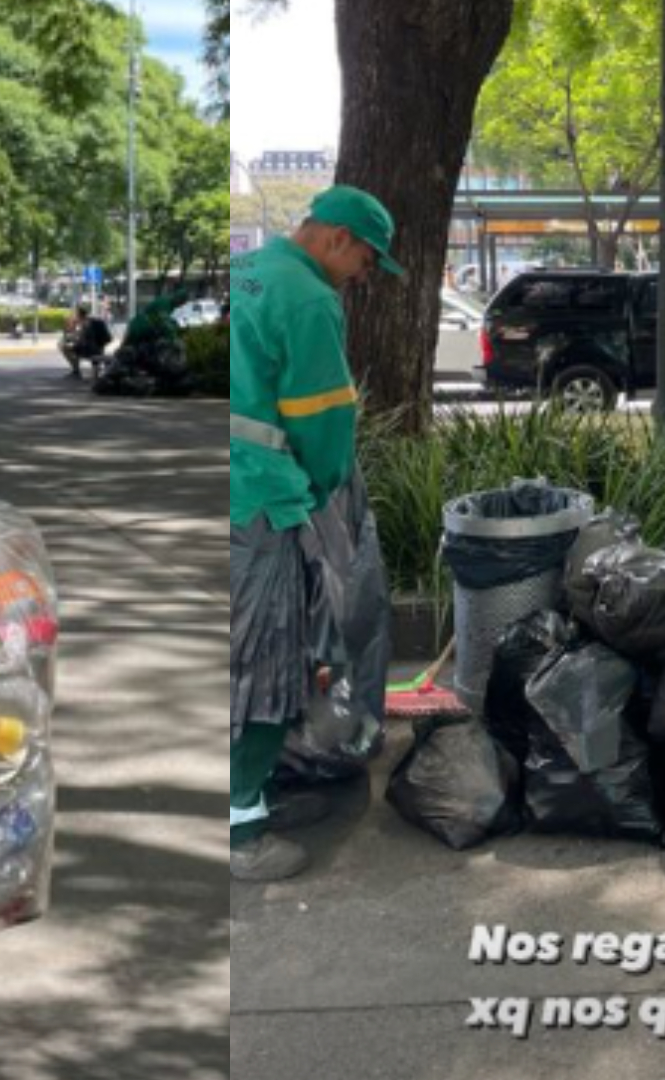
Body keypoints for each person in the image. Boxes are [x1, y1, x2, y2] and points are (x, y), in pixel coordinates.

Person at [230, 185, 402, 882]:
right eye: (367, 258)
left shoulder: (249, 269)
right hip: (264, 499)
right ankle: (243, 831)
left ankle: (249, 795)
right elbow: (325, 426)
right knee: (269, 662)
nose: (365, 273)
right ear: (336, 238)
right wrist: (332, 498)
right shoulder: (308, 300)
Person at [61, 303, 112, 378]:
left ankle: (76, 371)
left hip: (89, 350)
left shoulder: (85, 323)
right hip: (99, 349)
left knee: (65, 348)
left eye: (76, 314)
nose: (74, 316)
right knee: (75, 347)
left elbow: (81, 340)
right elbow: (108, 338)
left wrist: (71, 341)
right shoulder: (93, 321)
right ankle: (95, 370)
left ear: (79, 315)